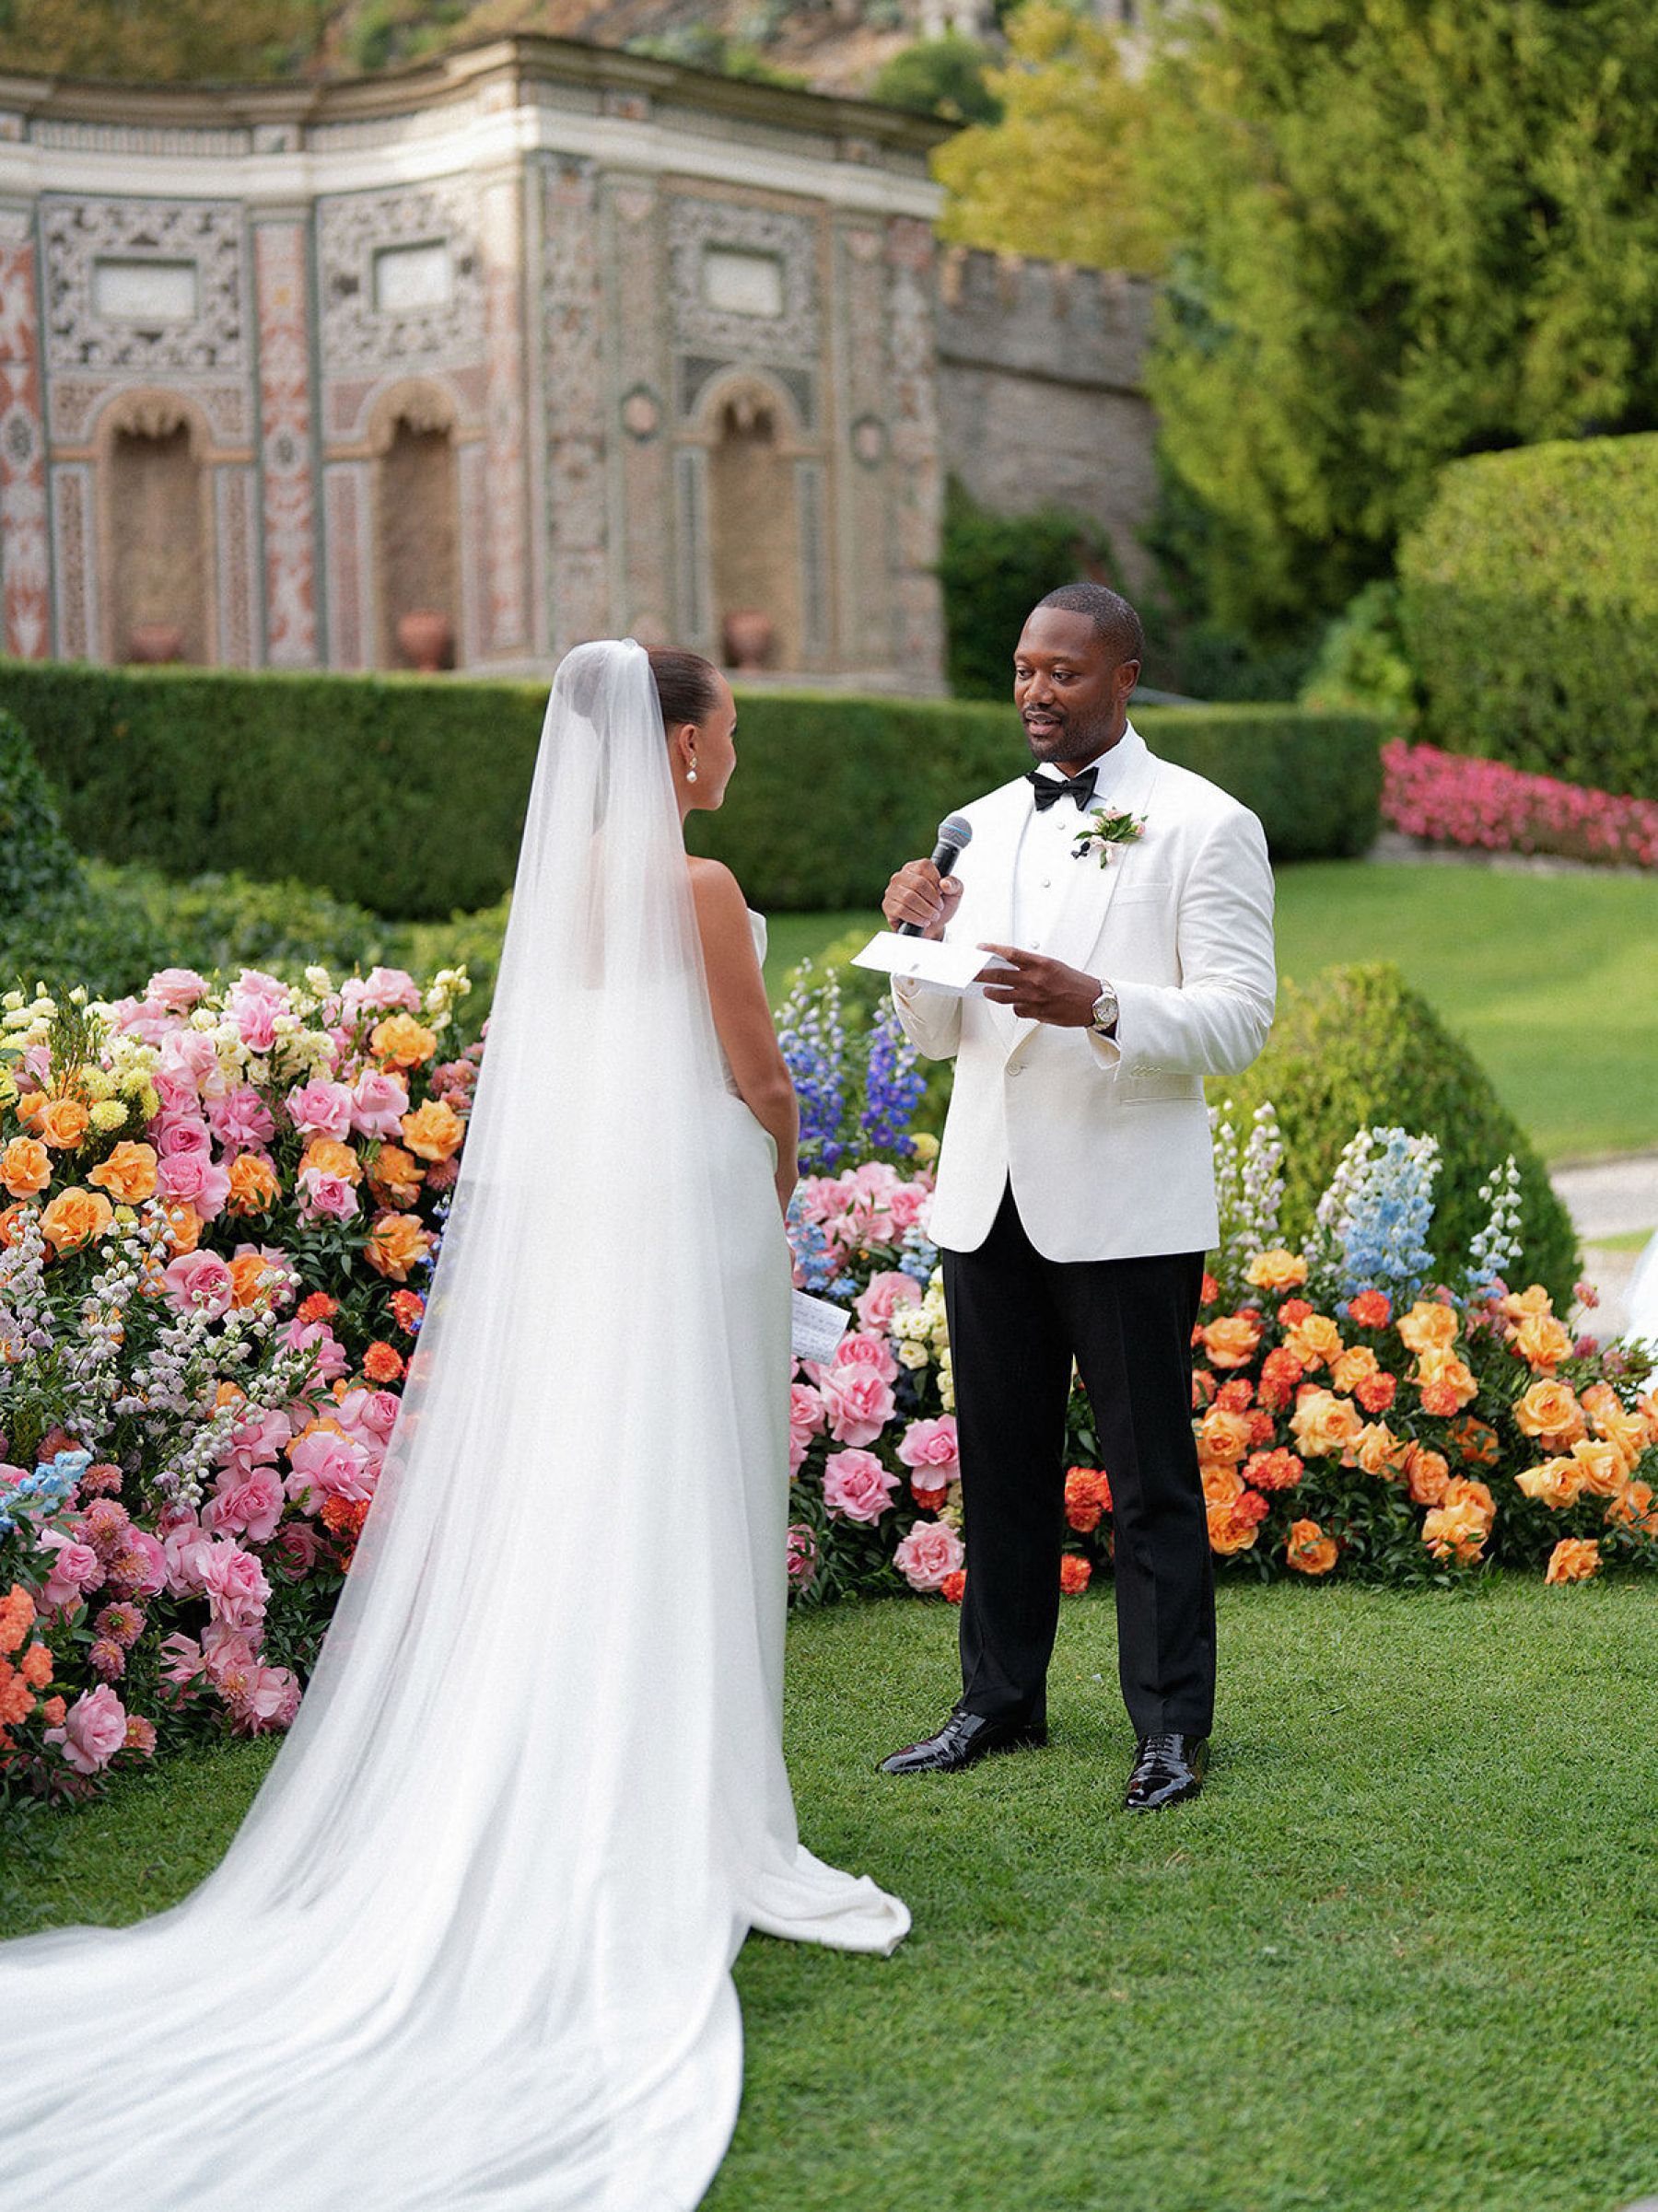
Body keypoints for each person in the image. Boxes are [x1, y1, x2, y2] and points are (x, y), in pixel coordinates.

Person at [0, 638, 907, 2210]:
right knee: (682, 1498)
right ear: (677, 747)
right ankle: (681, 1808)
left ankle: (595, 1782)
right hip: (692, 1210)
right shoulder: (698, 884)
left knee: (594, 1492)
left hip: (590, 1229)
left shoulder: (559, 888)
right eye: (730, 734)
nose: (735, 758)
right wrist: (777, 1182)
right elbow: (762, 1076)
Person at [878, 582, 1276, 1810]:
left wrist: (1100, 1004)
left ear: (1125, 676)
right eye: (1021, 670)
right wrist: (913, 940)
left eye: (1063, 671)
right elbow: (940, 1033)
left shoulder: (1207, 823)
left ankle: (1168, 1730)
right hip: (988, 1193)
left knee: (1151, 1474)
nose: (1038, 692)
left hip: (1123, 1201)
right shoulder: (978, 825)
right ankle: (998, 1703)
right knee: (1002, 1464)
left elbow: (1241, 1016)